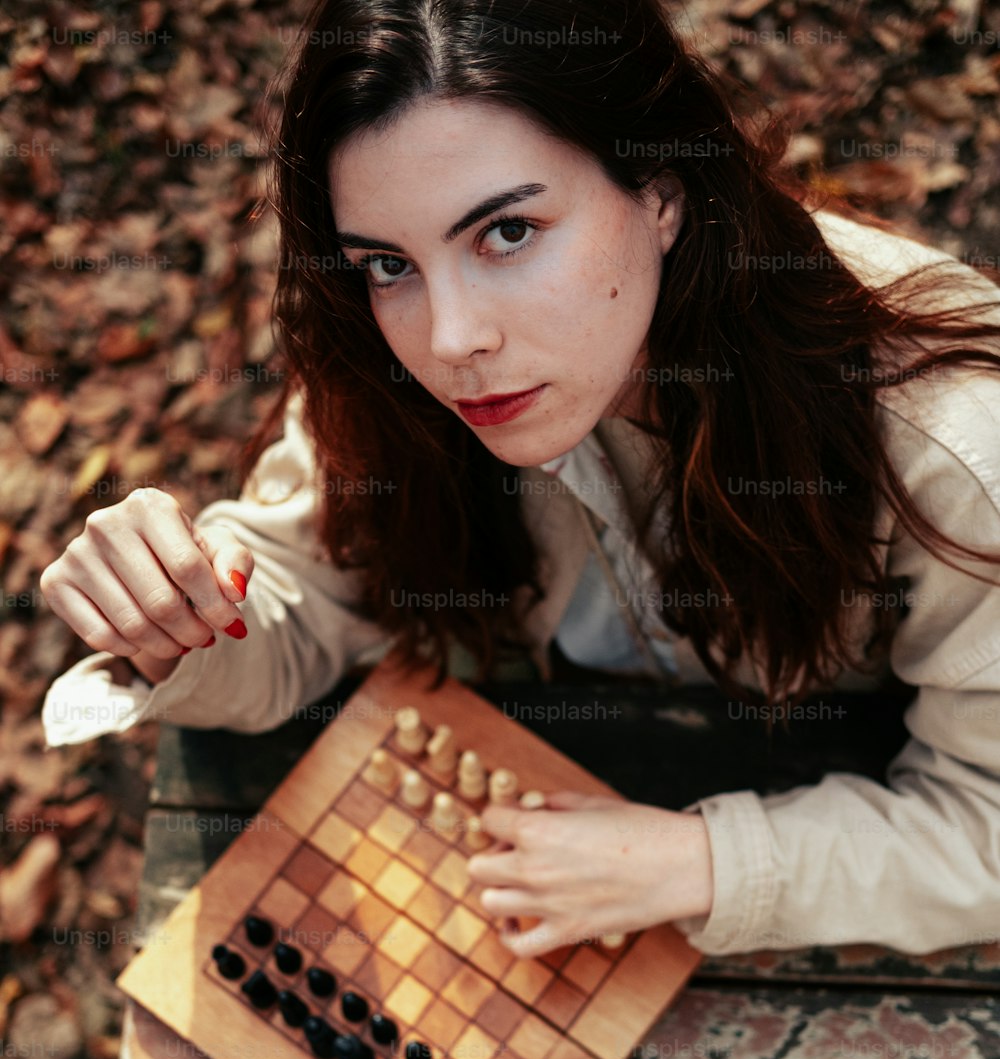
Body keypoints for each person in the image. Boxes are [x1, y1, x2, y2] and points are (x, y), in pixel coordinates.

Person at [40, 0, 1000, 961]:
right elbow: (304, 597)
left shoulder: (955, 445)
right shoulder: (404, 370)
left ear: (660, 194)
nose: (452, 339)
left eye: (506, 233)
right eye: (387, 263)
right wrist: (178, 620)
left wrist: (700, 862)